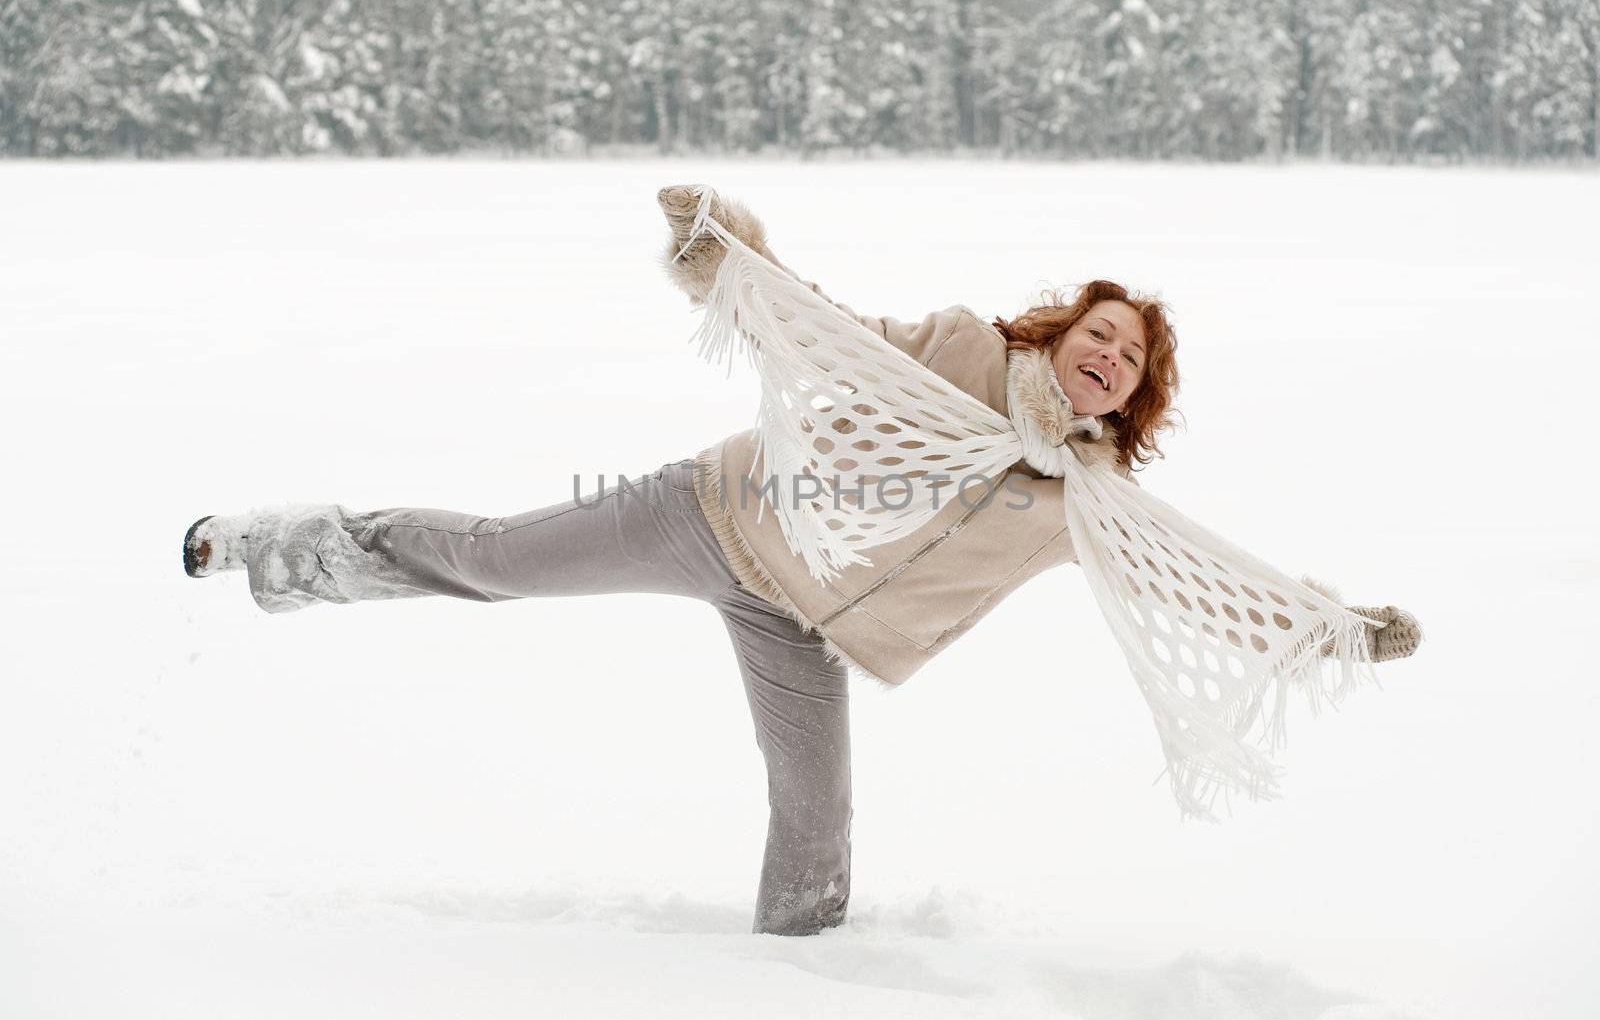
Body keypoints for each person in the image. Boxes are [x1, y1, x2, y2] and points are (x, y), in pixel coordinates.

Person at [181, 185, 1421, 936]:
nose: (1109, 358)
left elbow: (1186, 576)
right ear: (1063, 327)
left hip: (805, 628)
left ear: (1138, 391)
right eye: (1100, 333)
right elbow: (824, 330)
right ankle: (286, 546)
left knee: (816, 814)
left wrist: (1326, 624)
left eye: (1132, 359)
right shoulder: (955, 349)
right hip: (709, 516)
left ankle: (797, 981)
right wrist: (729, 257)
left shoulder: (1087, 503)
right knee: (500, 562)